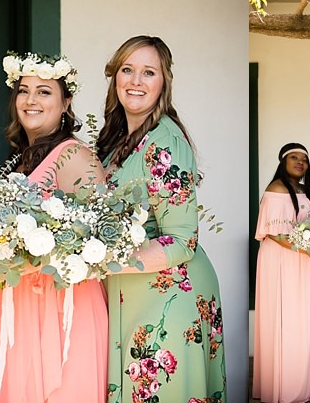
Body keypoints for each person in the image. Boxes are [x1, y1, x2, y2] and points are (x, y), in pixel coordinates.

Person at [97, 35, 226, 402]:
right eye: (128, 70)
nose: (136, 81)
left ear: (163, 82)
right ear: (115, 77)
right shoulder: (118, 137)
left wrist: (100, 262)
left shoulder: (165, 141)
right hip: (133, 289)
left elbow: (182, 238)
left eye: (148, 72)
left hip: (169, 293)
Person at [0, 52, 108, 402]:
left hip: (60, 307)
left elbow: (98, 233)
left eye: (44, 92)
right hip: (20, 301)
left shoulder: (75, 156)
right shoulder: (21, 157)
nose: (31, 100)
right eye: (24, 91)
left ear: (66, 102)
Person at [253, 142, 310, 403]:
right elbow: (276, 234)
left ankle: (301, 382)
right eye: (294, 157)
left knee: (301, 318)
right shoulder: (276, 189)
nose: (300, 162)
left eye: (304, 158)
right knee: (284, 315)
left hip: (302, 259)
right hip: (282, 259)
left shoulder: (303, 190)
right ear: (283, 161)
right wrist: (307, 249)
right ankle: (283, 386)